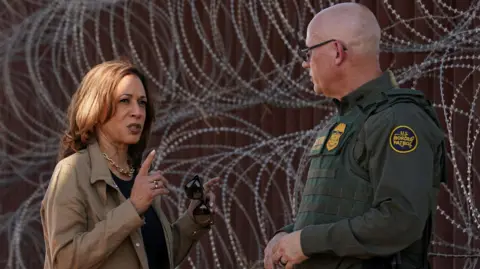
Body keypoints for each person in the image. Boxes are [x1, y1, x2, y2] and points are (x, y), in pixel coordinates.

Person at [263, 3, 446, 269]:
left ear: (337, 52)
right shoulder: (349, 121)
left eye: (309, 51)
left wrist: (305, 242)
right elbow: (338, 210)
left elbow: (399, 220)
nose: (305, 63)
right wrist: (289, 236)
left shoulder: (398, 118)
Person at [40, 59, 219, 269]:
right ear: (96, 108)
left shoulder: (136, 174)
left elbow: (154, 257)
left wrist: (194, 218)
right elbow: (64, 261)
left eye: (142, 102)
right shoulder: (72, 171)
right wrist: (132, 208)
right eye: (125, 100)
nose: (138, 112)